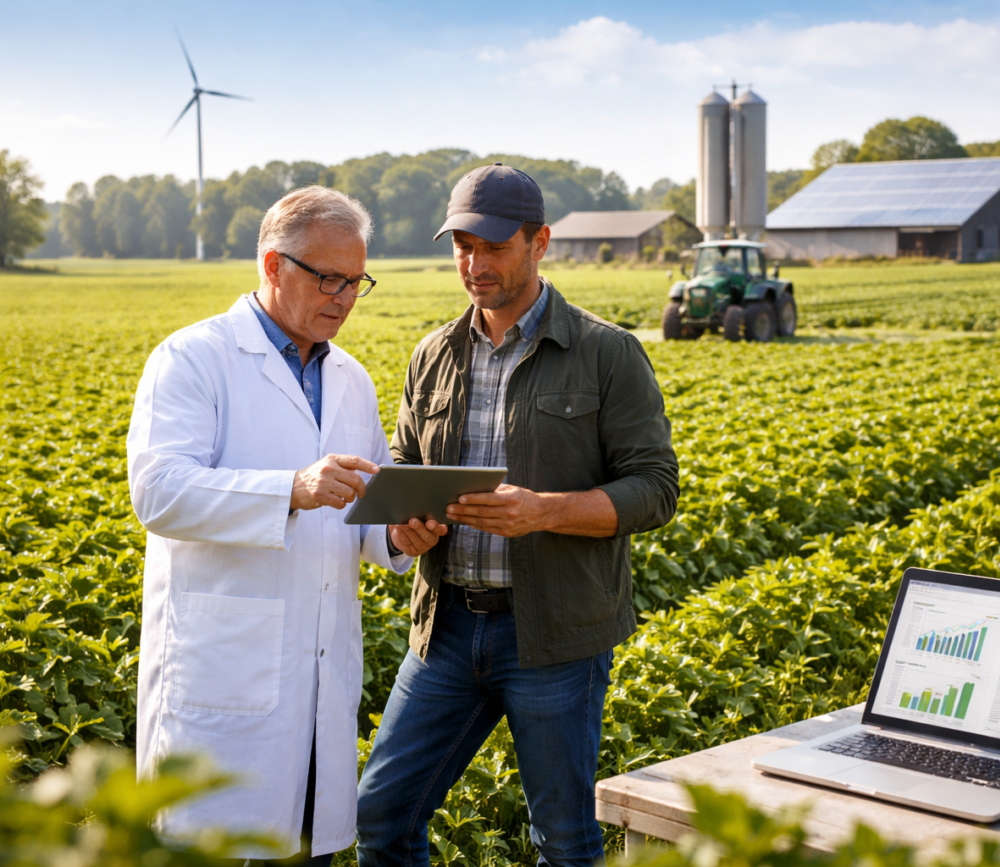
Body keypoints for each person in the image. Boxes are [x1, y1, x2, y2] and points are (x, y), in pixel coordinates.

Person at [355, 164, 679, 867]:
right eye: (462, 246)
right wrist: (401, 526)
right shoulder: (433, 354)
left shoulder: (606, 353)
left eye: (494, 245)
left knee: (562, 840)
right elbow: (407, 470)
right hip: (445, 628)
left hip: (556, 636)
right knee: (381, 816)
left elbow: (655, 489)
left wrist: (544, 512)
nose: (474, 264)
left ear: (541, 243)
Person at [127, 186, 446, 863]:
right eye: (328, 277)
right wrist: (290, 490)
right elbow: (158, 492)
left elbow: (364, 508)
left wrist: (396, 534)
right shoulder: (192, 359)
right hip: (222, 684)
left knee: (310, 845)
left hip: (318, 682)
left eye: (356, 282)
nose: (343, 297)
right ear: (273, 266)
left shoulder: (352, 378)